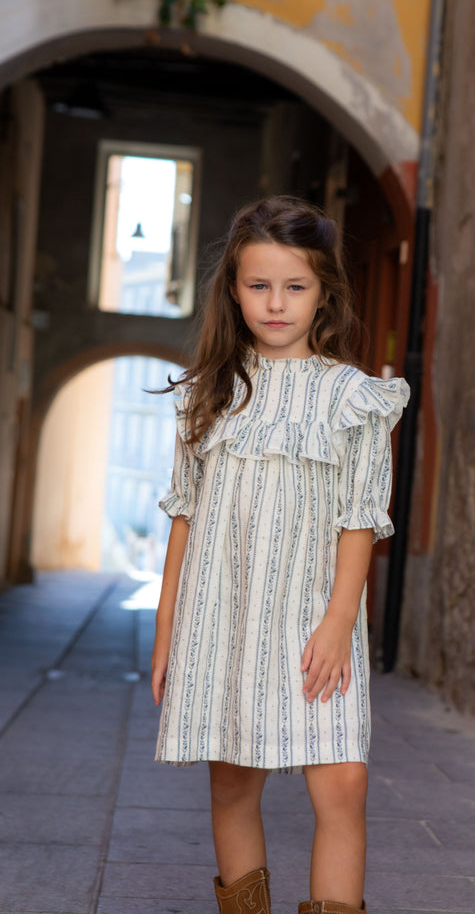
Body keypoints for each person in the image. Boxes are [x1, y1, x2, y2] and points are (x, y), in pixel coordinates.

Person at [151, 196, 409, 914]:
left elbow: (359, 521)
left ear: (324, 291)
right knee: (232, 781)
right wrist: (167, 625)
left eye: (294, 286)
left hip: (313, 615)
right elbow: (183, 516)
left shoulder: (353, 397)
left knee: (343, 782)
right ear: (232, 290)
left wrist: (337, 621)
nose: (275, 303)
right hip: (222, 616)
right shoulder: (209, 394)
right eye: (258, 285)